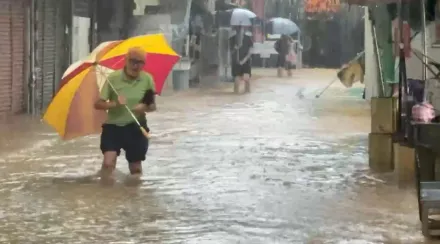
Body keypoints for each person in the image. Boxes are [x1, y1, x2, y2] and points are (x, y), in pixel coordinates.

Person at [94, 47, 156, 182]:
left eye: (140, 62)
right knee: (108, 164)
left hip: (136, 127)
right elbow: (98, 104)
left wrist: (143, 107)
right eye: (133, 61)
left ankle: (133, 197)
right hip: (113, 127)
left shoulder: (147, 80)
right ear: (126, 60)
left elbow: (152, 106)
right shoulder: (113, 78)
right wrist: (115, 104)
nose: (136, 65)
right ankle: (106, 195)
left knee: (135, 169)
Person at [229, 26, 254, 93]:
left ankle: (247, 95)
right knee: (237, 80)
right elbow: (230, 52)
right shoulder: (232, 39)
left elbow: (250, 51)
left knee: (247, 79)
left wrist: (244, 60)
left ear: (244, 30)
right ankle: (235, 96)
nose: (240, 31)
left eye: (241, 30)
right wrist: (235, 48)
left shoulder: (248, 38)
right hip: (236, 62)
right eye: (238, 30)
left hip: (246, 61)